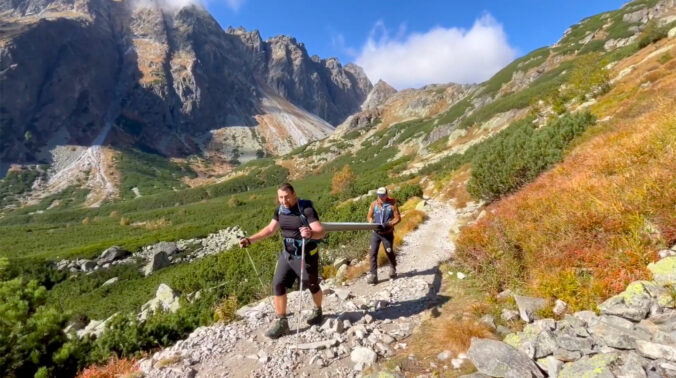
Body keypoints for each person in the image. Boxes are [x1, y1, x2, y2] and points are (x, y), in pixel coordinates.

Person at [239, 183, 325, 339]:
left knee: (311, 284)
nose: (284, 200)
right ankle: (282, 322)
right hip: (287, 254)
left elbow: (320, 231)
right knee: (278, 284)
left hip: (306, 254)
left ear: (294, 194)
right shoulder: (280, 210)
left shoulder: (306, 210)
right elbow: (270, 229)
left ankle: (318, 310)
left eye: (286, 197)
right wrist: (250, 240)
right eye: (280, 197)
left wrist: (310, 233)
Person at [366, 187, 401, 285]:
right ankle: (373, 275)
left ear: (386, 194)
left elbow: (398, 218)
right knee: (373, 253)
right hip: (376, 233)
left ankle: (393, 268)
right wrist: (370, 221)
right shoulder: (374, 204)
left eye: (382, 195)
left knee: (389, 251)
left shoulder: (392, 204)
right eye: (379, 195)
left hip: (387, 234)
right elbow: (369, 216)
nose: (380, 197)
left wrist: (390, 224)